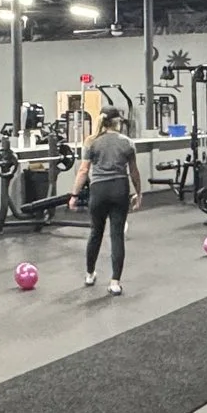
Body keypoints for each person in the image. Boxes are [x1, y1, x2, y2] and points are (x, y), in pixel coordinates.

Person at [71, 108, 142, 295]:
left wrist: (74, 195)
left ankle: (89, 274)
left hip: (99, 191)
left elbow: (83, 171)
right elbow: (134, 171)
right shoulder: (127, 142)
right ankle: (115, 282)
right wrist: (139, 193)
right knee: (117, 235)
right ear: (117, 122)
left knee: (96, 232)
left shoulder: (91, 141)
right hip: (120, 189)